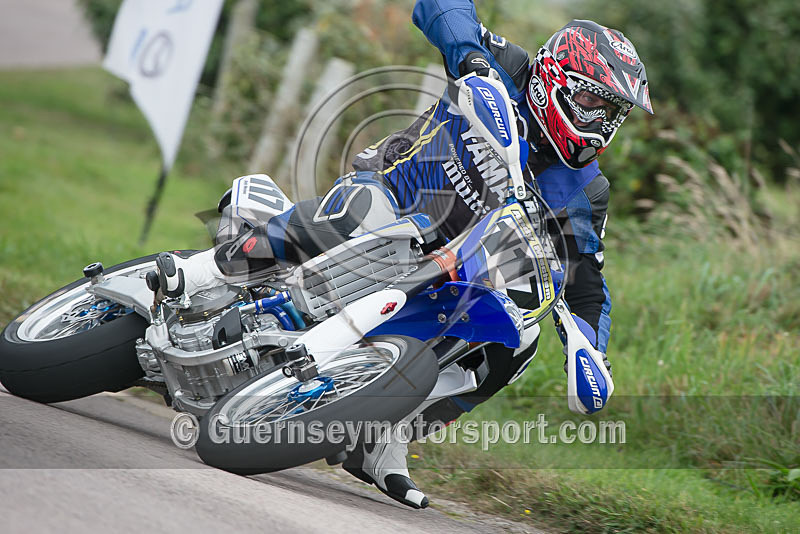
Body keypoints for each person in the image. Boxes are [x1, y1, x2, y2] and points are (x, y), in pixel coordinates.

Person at [156, 0, 652, 510]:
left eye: (614, 113)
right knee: (362, 210)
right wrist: (472, 62)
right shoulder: (508, 66)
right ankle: (201, 273)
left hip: (455, 267)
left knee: (517, 343)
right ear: (559, 79)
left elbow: (587, 285)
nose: (603, 124)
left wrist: (591, 351)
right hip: (393, 195)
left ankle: (386, 432)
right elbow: (439, 6)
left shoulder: (587, 192)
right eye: (598, 105)